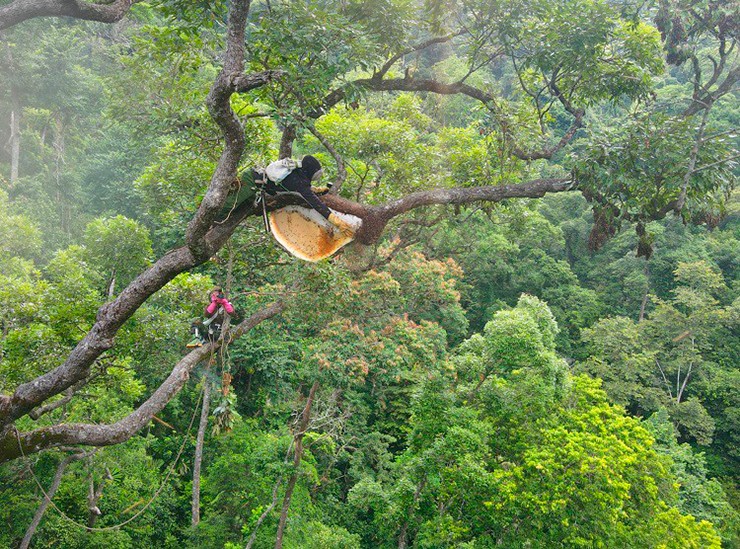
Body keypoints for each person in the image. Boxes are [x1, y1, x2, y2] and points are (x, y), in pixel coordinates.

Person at [257, 155, 355, 236]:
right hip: (250, 183)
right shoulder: (300, 184)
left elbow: (295, 185)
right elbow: (317, 205)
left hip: (258, 177)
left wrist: (315, 190)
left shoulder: (295, 170)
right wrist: (337, 222)